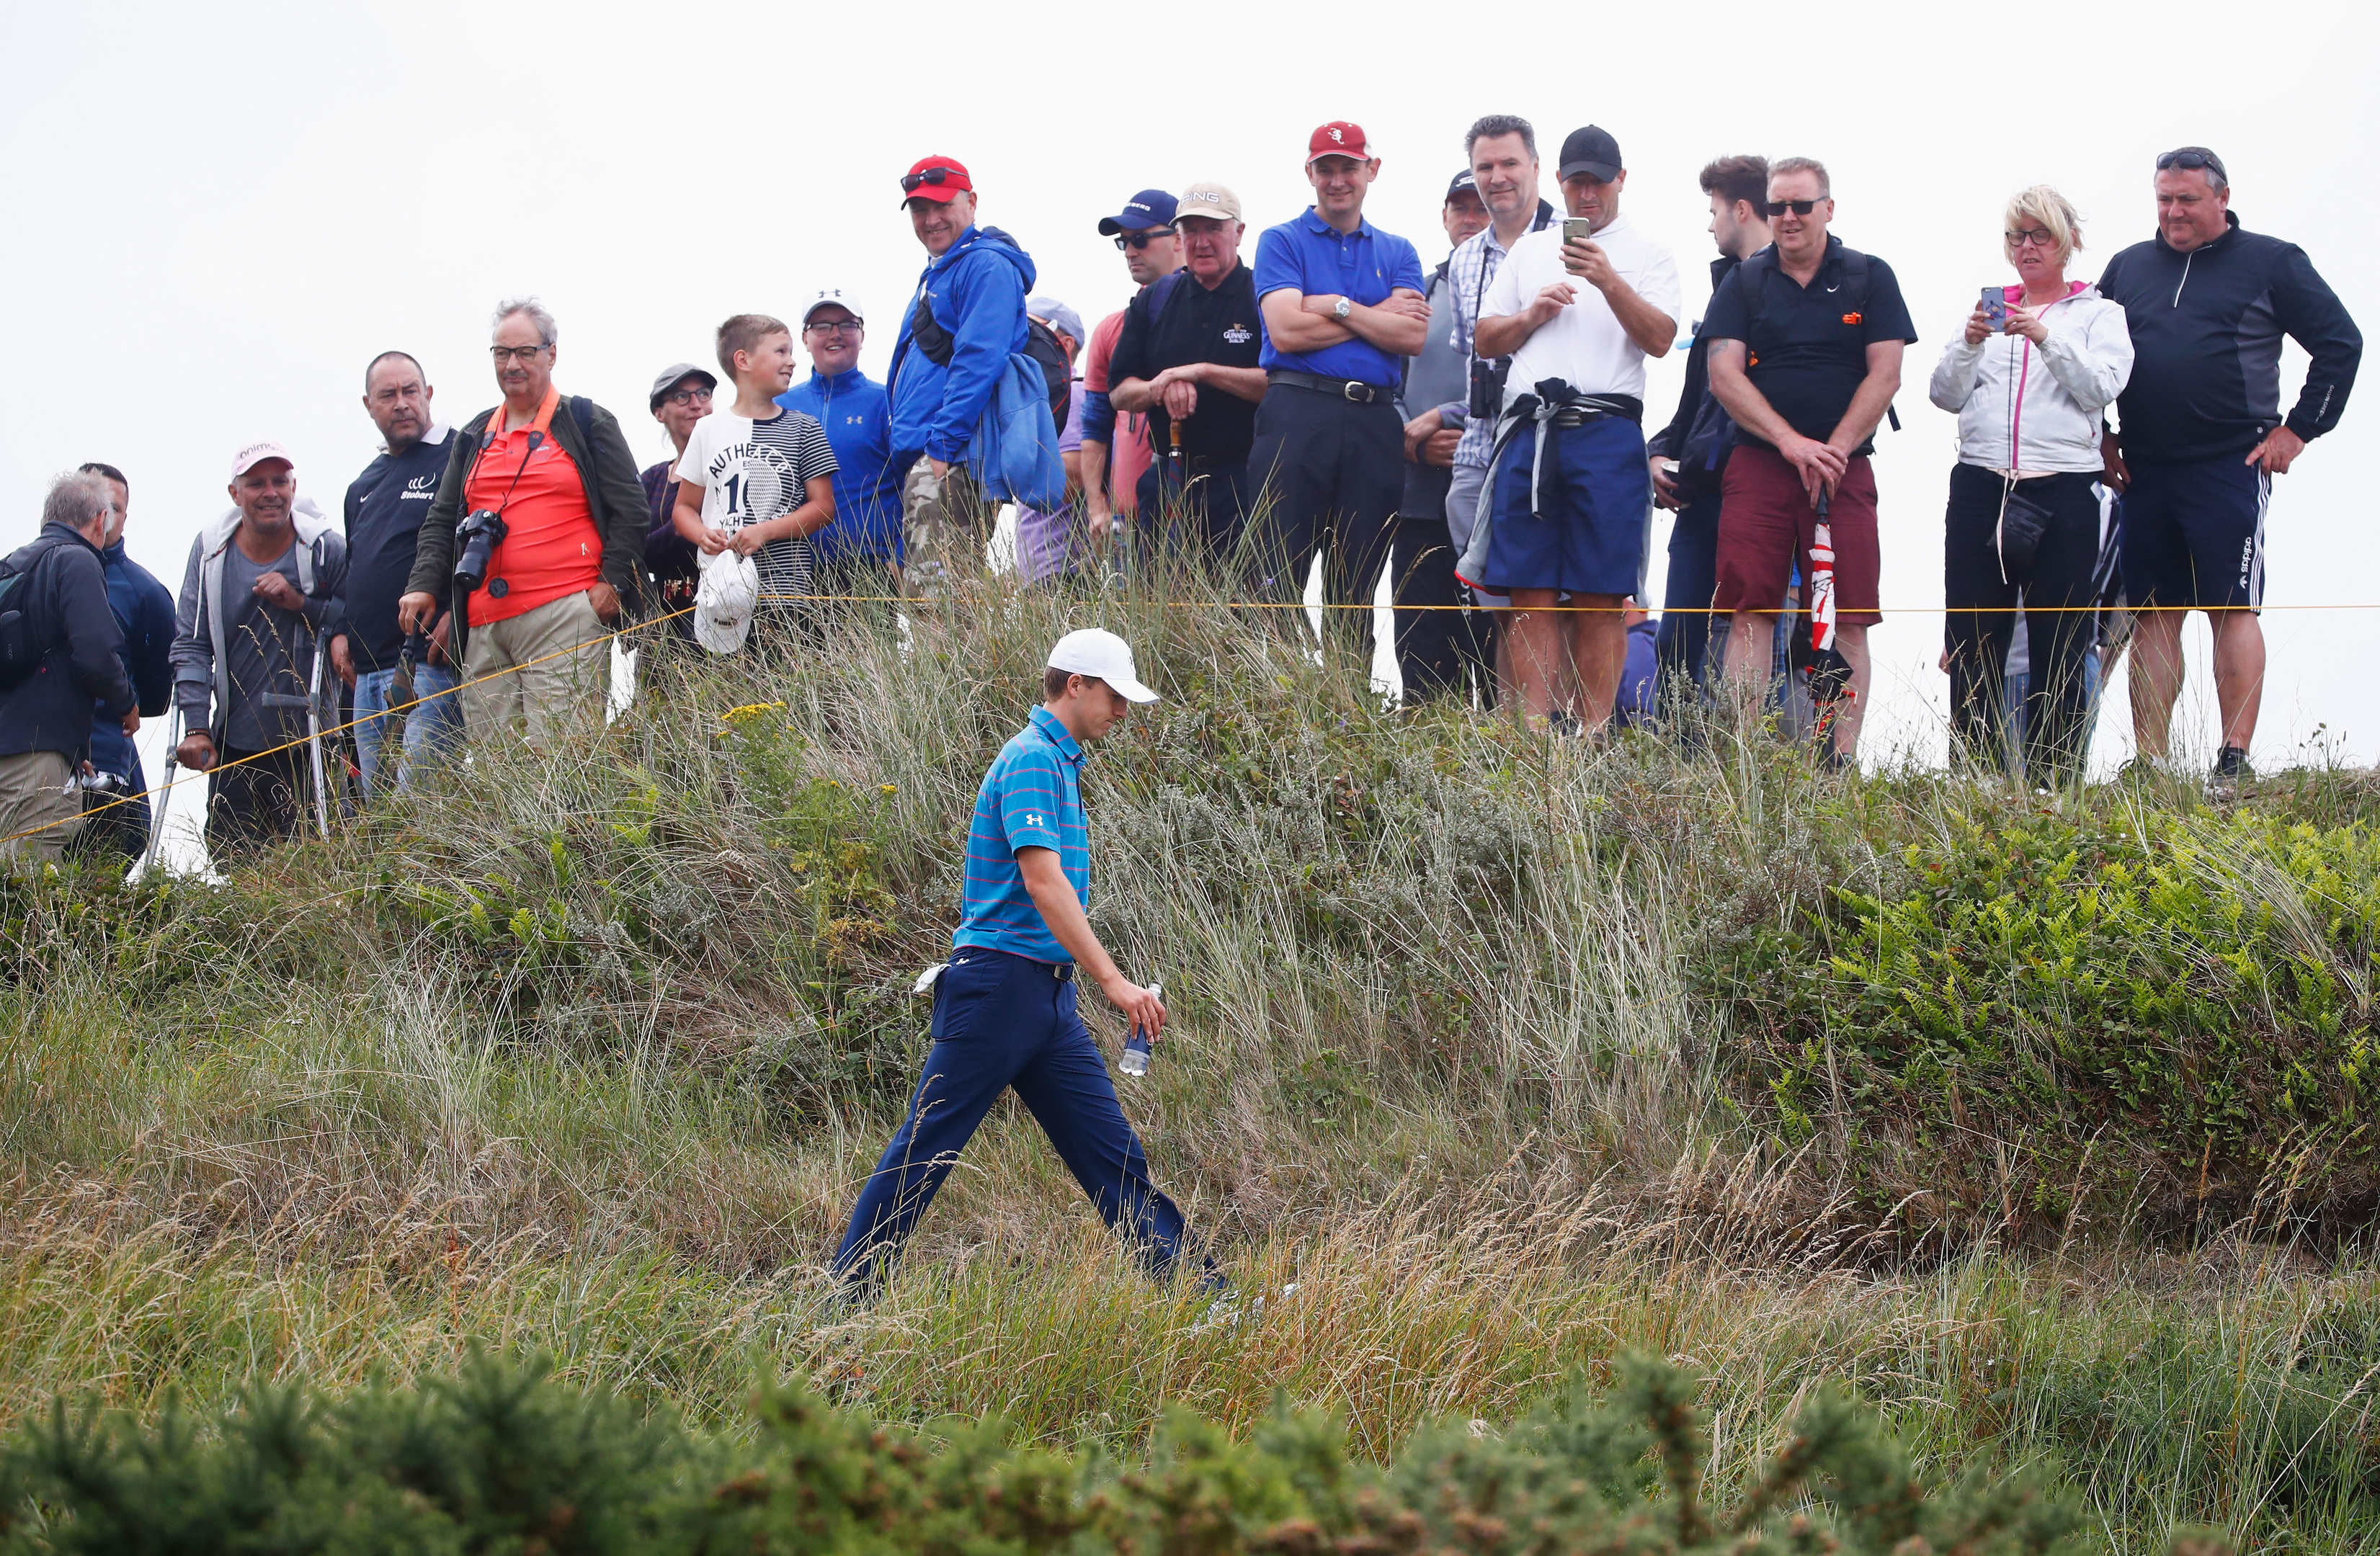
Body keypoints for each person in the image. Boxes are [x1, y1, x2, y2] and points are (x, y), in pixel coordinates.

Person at [831, 630, 1218, 1297]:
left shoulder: (1057, 762)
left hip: (1042, 997)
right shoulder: (1033, 758)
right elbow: (1044, 884)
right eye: (1114, 696)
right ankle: (842, 1301)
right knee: (923, 1154)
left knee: (1111, 1157)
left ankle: (1200, 1296)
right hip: (998, 988)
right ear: (1075, 686)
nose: (1122, 711)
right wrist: (1115, 983)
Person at [2095, 146, 2362, 782]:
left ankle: (2232, 757)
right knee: (2154, 612)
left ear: (2221, 197)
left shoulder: (2271, 261)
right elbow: (2086, 359)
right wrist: (2099, 438)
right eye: (2163, 198)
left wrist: (2298, 431)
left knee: (2229, 604)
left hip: (2227, 461)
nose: (2172, 211)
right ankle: (2151, 762)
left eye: (2186, 199)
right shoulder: (2128, 266)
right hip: (2144, 465)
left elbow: (2339, 342)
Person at [1703, 157, 1917, 763]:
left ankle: (1838, 762)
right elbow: (1723, 374)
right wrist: (1792, 443)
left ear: (1828, 207)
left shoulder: (1869, 276)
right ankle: (1744, 760)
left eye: (1801, 205)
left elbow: (1887, 372)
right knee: (1749, 608)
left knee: (1849, 612)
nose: (1789, 218)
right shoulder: (1743, 281)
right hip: (1760, 464)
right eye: (1778, 208)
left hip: (1845, 469)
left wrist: (1837, 448)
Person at [1468, 125, 1681, 732]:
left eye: (1596, 182)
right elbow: (1487, 339)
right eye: (1575, 182)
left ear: (1620, 180)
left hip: (1606, 429)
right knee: (1528, 592)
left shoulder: (1648, 253)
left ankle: (1593, 737)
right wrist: (1533, 312)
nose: (1586, 195)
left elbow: (1661, 340)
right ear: (1557, 183)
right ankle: (1533, 737)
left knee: (1600, 595)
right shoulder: (1528, 250)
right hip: (1533, 428)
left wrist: (1608, 280)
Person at [1927, 186, 2133, 785]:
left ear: (2066, 241)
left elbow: (2101, 388)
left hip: (2063, 486)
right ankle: (1977, 779)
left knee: (2062, 639)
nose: (2026, 247)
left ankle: (2054, 782)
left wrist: (2043, 337)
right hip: (1981, 483)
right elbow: (1943, 395)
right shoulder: (1986, 311)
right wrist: (1969, 342)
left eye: (2039, 235)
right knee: (1972, 632)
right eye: (2017, 236)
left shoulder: (2099, 314)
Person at [399, 299, 649, 746]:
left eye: (525, 352)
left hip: (565, 613)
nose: (512, 364)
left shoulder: (585, 420)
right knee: (499, 772)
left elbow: (632, 509)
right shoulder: (476, 433)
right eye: (501, 353)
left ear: (551, 354)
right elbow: (441, 518)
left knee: (561, 765)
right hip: (485, 624)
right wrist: (421, 584)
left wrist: (610, 585)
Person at [1248, 122, 1427, 656]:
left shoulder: (1398, 250)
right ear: (1309, 173)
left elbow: (1411, 334)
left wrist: (1327, 303)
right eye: (1325, 168)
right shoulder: (1281, 239)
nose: (1337, 179)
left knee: (1357, 582)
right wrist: (1368, 313)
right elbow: (1285, 329)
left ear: (1370, 171)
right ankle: (1275, 703)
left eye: (1348, 167)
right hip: (1296, 409)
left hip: (1373, 418)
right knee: (1276, 573)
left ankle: (1348, 711)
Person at [1425, 115, 1561, 699]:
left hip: (1556, 442)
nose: (1497, 177)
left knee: (1561, 600)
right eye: (1485, 167)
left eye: (1508, 164)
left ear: (1534, 166)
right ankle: (1519, 737)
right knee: (1500, 605)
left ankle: (1571, 739)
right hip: (1480, 449)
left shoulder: (1573, 240)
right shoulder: (1462, 261)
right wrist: (1446, 416)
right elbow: (1472, 359)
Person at [171, 443, 349, 854]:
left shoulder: (324, 549)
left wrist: (300, 603)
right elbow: (191, 643)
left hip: (309, 742)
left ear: (294, 486)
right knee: (232, 858)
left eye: (280, 481)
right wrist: (196, 726)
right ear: (235, 494)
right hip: (234, 742)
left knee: (317, 860)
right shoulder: (210, 552)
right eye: (256, 483)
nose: (271, 492)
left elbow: (353, 615)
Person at [1646, 156, 1772, 703]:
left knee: (1763, 638)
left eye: (1714, 210)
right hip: (1701, 494)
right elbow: (1694, 403)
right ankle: (1679, 771)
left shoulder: (1793, 291)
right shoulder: (1724, 291)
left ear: (1740, 209)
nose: (1709, 224)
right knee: (1676, 645)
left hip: (1762, 489)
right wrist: (1658, 453)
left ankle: (1751, 773)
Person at [887, 156, 1038, 594]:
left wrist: (942, 447)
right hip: (928, 457)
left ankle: (958, 667)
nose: (931, 220)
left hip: (950, 460)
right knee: (933, 598)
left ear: (971, 203)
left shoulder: (984, 265)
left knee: (938, 602)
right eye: (919, 209)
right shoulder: (942, 270)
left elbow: (979, 359)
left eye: (942, 206)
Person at [1109, 181, 1270, 573]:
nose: (1202, 241)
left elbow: (1279, 383)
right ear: (1179, 236)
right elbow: (1120, 391)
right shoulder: (1156, 298)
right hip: (1169, 479)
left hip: (1245, 482)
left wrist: (1203, 374)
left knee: (1244, 617)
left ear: (1239, 233)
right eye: (1191, 230)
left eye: (1213, 229)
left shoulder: (1262, 295)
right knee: (1161, 616)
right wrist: (1159, 387)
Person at [337, 352, 463, 799]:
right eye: (388, 395)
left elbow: (480, 542)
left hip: (429, 664)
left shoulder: (458, 455)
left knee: (421, 807)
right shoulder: (362, 486)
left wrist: (458, 613)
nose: (402, 403)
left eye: (411, 391)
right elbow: (353, 569)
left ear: (428, 395)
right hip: (366, 675)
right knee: (380, 816)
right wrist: (338, 633)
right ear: (369, 405)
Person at [671, 314, 838, 643]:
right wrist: (703, 535)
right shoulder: (707, 430)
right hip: (720, 591)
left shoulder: (804, 428)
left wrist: (765, 531)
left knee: (786, 682)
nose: (792, 362)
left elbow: (824, 507)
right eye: (781, 351)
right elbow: (683, 508)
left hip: (785, 589)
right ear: (743, 360)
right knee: (731, 685)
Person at [0, 473, 137, 867]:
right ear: (99, 520)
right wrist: (125, 703)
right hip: (37, 756)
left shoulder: (11, 565)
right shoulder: (77, 560)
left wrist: (72, 753)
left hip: (13, 745)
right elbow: (95, 654)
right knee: (29, 888)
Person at [1393, 171, 1494, 701]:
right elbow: (1381, 386)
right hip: (1418, 504)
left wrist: (1452, 420)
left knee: (1502, 661)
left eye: (1480, 207)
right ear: (1444, 217)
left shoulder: (1521, 290)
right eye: (1460, 208)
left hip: (1497, 504)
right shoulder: (1418, 295)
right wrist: (1411, 439)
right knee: (1424, 666)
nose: (1470, 219)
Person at [68, 462, 173, 862]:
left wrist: (117, 706)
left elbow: (156, 696)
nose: (105, 516)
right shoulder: (32, 570)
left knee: (102, 879)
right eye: (97, 504)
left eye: (115, 507)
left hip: (109, 757)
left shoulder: (145, 593)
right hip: (35, 755)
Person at [779, 290, 906, 604]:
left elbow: (912, 483)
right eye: (822, 326)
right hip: (788, 573)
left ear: (862, 335)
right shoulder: (778, 407)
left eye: (847, 325)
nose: (835, 334)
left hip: (870, 571)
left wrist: (900, 558)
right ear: (805, 338)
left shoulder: (888, 400)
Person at [1082, 191, 1179, 553]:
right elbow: (1095, 424)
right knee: (1128, 613)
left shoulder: (1215, 317)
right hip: (1125, 524)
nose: (1129, 251)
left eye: (1140, 239)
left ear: (1178, 237)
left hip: (1193, 515)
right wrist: (1096, 505)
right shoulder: (1111, 329)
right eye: (1124, 242)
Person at [1014, 298, 1092, 585]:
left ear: (1066, 343)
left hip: (1066, 572)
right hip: (1044, 571)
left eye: (1034, 330)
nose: (1024, 339)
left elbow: (1071, 477)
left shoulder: (1072, 395)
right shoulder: (1042, 400)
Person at [641, 362, 717, 641]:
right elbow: (633, 549)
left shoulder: (732, 465)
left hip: (723, 609)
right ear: (659, 412)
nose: (696, 404)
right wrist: (681, 526)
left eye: (704, 394)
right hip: (662, 620)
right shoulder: (651, 479)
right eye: (682, 397)